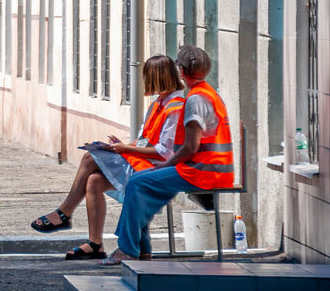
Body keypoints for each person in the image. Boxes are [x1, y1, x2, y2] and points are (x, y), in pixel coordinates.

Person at [30, 55, 187, 260]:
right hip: (142, 161)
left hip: (154, 168)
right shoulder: (159, 103)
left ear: (157, 77)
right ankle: (95, 244)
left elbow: (164, 152)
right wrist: (120, 145)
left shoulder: (174, 107)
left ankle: (64, 213)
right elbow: (144, 140)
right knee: (93, 181)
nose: (144, 82)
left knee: (89, 158)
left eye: (146, 77)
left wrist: (123, 149)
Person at [105, 44, 236, 265]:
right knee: (138, 182)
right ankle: (139, 249)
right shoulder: (208, 93)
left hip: (201, 171)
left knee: (137, 184)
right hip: (210, 168)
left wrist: (164, 166)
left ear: (182, 72)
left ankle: (128, 249)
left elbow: (190, 147)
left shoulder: (195, 100)